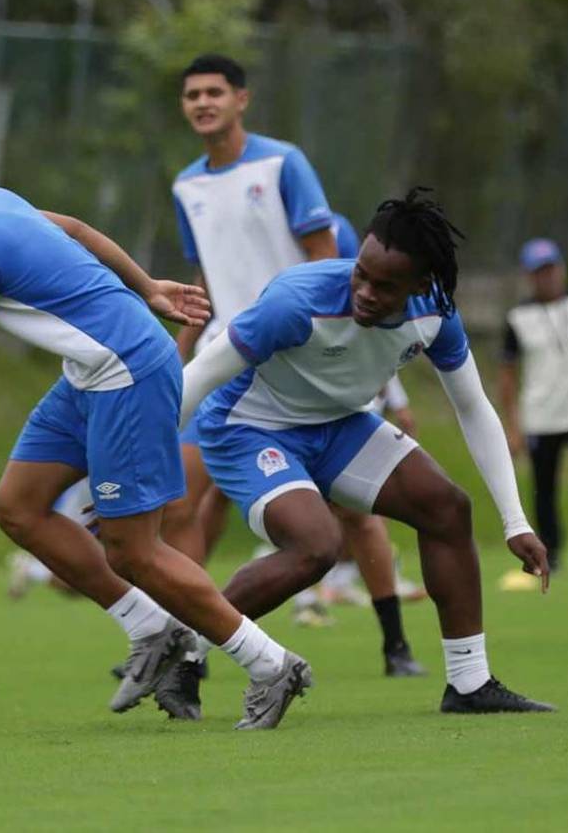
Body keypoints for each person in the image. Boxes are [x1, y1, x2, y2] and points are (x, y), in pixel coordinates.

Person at [0, 108, 311, 730]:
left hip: (125, 372)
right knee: (19, 505)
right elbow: (78, 230)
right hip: (90, 374)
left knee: (132, 551)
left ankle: (272, 665)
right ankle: (150, 628)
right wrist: (149, 290)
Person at [166, 188, 554, 718]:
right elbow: (199, 378)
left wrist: (514, 521)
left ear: (421, 285)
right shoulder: (296, 301)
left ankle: (469, 682)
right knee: (316, 545)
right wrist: (136, 462)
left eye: (385, 285)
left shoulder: (436, 315)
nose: (365, 292)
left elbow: (474, 409)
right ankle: (186, 646)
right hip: (250, 428)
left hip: (340, 426)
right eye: (361, 275)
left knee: (447, 507)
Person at [168, 54, 422, 680]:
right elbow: (206, 273)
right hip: (226, 364)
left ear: (241, 99)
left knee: (354, 514)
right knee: (184, 502)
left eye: (214, 93)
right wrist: (181, 351)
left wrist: (384, 380)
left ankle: (395, 643)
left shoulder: (283, 163)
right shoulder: (185, 187)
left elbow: (330, 265)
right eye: (192, 95)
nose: (203, 103)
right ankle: (178, 641)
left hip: (307, 364)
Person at [500, 238, 568, 575]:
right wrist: (513, 427)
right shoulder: (518, 318)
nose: (548, 277)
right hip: (541, 417)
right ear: (530, 276)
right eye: (539, 272)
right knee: (544, 492)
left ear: (561, 269)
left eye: (551, 269)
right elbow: (508, 377)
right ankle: (551, 557)